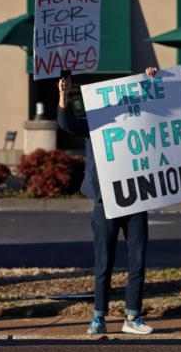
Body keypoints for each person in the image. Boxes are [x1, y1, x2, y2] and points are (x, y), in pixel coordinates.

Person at [57, 68, 158, 337]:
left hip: (136, 197)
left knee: (137, 261)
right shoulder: (95, 121)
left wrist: (151, 81)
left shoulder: (138, 120)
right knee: (104, 263)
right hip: (106, 201)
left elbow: (160, 108)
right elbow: (66, 123)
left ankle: (132, 316)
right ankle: (98, 318)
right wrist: (63, 96)